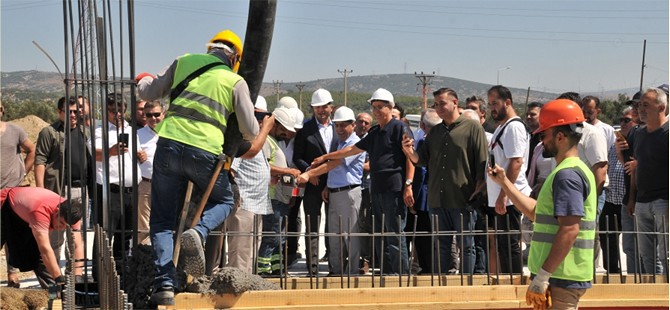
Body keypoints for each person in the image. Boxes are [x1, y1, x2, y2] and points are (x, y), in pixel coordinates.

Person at [136, 29, 259, 305]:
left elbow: (149, 92)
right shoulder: (234, 80)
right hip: (204, 152)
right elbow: (250, 131)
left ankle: (165, 285)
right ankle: (199, 231)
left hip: (168, 146)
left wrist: (143, 80)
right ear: (234, 58)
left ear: (210, 49)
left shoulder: (184, 61)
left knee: (162, 221)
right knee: (227, 200)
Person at [488, 99, 597, 309]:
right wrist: (504, 183)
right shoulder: (569, 170)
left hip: (561, 277)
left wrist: (543, 276)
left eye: (544, 134)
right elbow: (537, 213)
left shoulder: (567, 175)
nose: (541, 140)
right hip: (558, 275)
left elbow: (570, 229)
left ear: (560, 136)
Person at [312, 88, 414, 275]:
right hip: (377, 189)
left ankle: (401, 274)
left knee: (395, 234)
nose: (376, 111)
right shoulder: (374, 133)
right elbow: (351, 150)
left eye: (380, 107)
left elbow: (411, 158)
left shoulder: (399, 128)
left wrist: (408, 185)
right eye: (373, 107)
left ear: (390, 107)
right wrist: (324, 157)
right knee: (380, 235)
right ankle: (387, 271)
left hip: (394, 189)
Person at [402, 88, 488, 276]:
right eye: (436, 104)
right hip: (438, 200)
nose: (438, 108)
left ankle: (466, 284)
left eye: (442, 103)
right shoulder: (435, 132)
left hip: (463, 199)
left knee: (466, 246)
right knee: (441, 246)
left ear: (455, 102)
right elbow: (421, 160)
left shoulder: (473, 128)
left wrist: (478, 191)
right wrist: (409, 152)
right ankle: (441, 285)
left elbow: (482, 164)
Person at [296, 107, 365, 275]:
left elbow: (335, 163)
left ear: (353, 125)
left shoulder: (354, 143)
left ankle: (353, 271)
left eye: (344, 125)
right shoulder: (340, 144)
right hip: (335, 193)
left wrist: (309, 173)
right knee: (334, 235)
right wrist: (328, 186)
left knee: (351, 235)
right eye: (337, 125)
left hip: (348, 193)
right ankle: (336, 270)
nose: (340, 129)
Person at [34, 96, 92, 286]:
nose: (73, 115)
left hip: (79, 190)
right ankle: (54, 281)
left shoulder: (85, 132)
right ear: (60, 112)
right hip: (56, 192)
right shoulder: (49, 132)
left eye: (76, 111)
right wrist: (41, 191)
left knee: (76, 235)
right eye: (69, 111)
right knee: (55, 238)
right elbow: (40, 161)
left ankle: (75, 279)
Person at [93, 93, 145, 272]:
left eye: (121, 110)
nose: (118, 114)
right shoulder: (100, 131)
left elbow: (135, 153)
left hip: (131, 191)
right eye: (113, 111)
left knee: (126, 236)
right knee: (106, 236)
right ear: (107, 112)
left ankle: (121, 275)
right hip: (111, 192)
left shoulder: (131, 130)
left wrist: (141, 156)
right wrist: (111, 151)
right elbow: (95, 154)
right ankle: (101, 275)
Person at [224, 97, 275, 274]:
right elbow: (231, 170)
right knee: (240, 250)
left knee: (251, 250)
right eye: (257, 118)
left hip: (256, 204)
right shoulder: (241, 139)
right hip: (244, 204)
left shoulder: (259, 141)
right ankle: (237, 284)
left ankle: (246, 282)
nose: (261, 123)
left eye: (263, 118)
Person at [1, 187, 85, 290]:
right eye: (61, 223)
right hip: (5, 205)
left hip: (26, 212)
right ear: (56, 211)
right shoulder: (40, 211)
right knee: (45, 256)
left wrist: (78, 275)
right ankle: (57, 286)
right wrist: (59, 279)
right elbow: (45, 249)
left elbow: (78, 244)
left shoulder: (73, 214)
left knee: (42, 261)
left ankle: (55, 294)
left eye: (66, 226)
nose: (62, 228)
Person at [486, 85, 530, 275]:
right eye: (490, 104)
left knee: (510, 244)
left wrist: (504, 195)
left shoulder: (513, 127)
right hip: (501, 196)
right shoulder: (503, 127)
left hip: (509, 198)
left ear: (508, 102)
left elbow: (516, 162)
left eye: (495, 103)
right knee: (503, 244)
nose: (492, 108)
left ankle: (514, 283)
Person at [293, 88, 338, 274]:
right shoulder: (305, 129)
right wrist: (310, 173)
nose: (321, 111)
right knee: (312, 224)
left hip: (334, 184)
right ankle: (312, 267)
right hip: (313, 185)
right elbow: (298, 157)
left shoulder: (338, 128)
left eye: (324, 107)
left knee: (333, 225)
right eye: (317, 107)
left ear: (331, 108)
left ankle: (332, 261)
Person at [624, 87, 668, 275]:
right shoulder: (639, 134)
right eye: (640, 105)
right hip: (642, 202)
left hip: (664, 201)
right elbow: (636, 167)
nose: (641, 109)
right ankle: (655, 292)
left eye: (646, 105)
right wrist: (632, 198)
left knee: (665, 254)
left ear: (662, 107)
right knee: (646, 255)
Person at [257, 108, 301, 276]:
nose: (285, 134)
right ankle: (263, 268)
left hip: (280, 197)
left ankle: (276, 267)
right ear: (275, 125)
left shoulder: (274, 142)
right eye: (283, 130)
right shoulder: (266, 141)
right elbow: (264, 167)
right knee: (272, 234)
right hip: (272, 196)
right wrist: (287, 171)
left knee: (280, 236)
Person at [0, 101, 36, 287]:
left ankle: (12, 274)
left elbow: (31, 150)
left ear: (2, 110)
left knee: (12, 235)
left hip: (12, 192)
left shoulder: (15, 131)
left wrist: (23, 173)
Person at [136, 100, 163, 245]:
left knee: (165, 223)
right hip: (146, 184)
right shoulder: (137, 135)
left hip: (167, 185)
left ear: (163, 114)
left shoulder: (172, 133)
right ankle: (145, 258)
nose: (153, 118)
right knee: (144, 226)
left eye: (157, 114)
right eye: (149, 115)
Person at [354, 112, 373, 274]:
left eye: (367, 123)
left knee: (364, 225)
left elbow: (370, 165)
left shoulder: (371, 140)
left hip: (365, 188)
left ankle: (364, 260)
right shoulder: (349, 138)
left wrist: (349, 162)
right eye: (360, 121)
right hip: (349, 187)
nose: (363, 125)